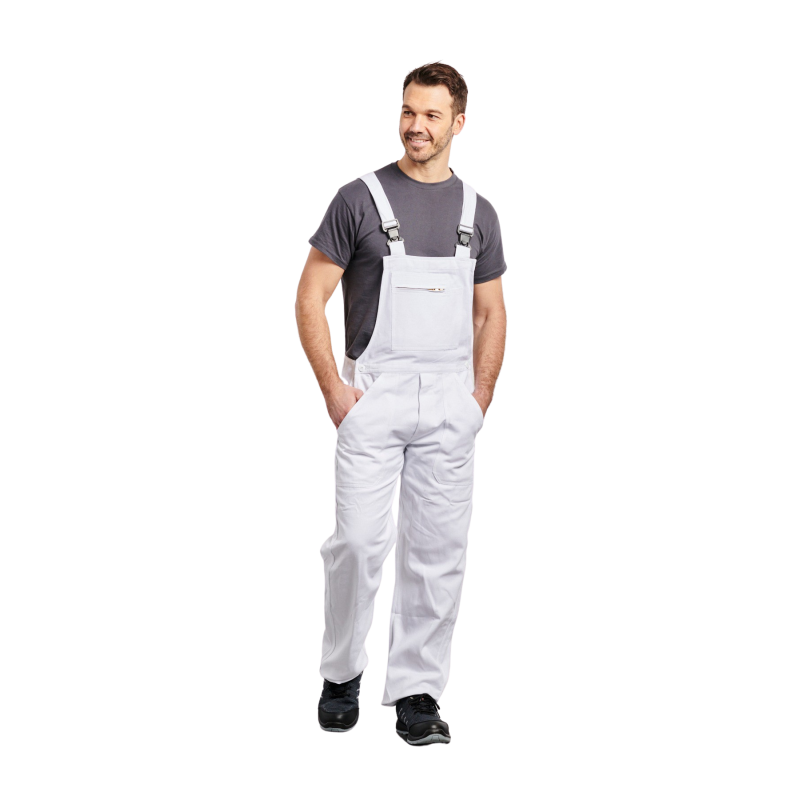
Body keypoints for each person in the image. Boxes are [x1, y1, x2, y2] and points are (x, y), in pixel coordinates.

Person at [295, 60, 508, 746]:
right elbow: (309, 297)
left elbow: (491, 312)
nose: (416, 126)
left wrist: (479, 398)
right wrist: (335, 392)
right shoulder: (357, 198)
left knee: (438, 552)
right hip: (373, 396)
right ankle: (341, 674)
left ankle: (418, 692)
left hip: (450, 403)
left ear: (459, 124)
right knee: (357, 544)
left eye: (432, 115)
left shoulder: (478, 211)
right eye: (408, 112)